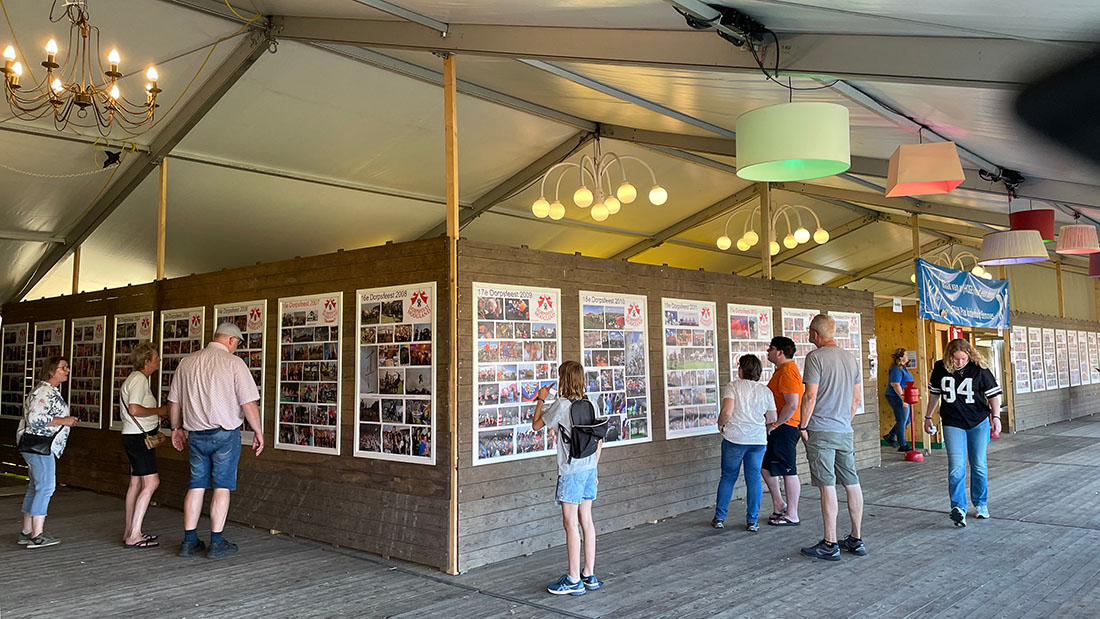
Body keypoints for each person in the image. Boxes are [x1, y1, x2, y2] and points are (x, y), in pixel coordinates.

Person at [169, 322, 263, 559]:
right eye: (237, 344)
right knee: (222, 487)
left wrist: (175, 428)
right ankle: (217, 542)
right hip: (224, 435)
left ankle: (189, 542)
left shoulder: (186, 362)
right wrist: (258, 431)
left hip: (195, 435)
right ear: (231, 340)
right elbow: (248, 403)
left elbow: (174, 402)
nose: (236, 349)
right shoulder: (234, 364)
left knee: (196, 485)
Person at [798, 315, 867, 561]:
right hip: (844, 430)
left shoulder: (814, 358)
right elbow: (856, 399)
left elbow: (810, 396)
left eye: (809, 332)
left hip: (820, 429)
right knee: (851, 482)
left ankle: (830, 542)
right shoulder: (851, 358)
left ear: (815, 335)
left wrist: (802, 426)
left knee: (827, 485)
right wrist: (844, 422)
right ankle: (856, 539)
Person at [532, 360, 603, 596]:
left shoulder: (561, 405)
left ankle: (573, 579)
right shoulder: (591, 402)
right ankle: (588, 574)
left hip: (571, 471)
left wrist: (542, 398)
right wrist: (595, 469)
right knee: (587, 520)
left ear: (564, 380)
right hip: (589, 467)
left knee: (570, 523)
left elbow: (536, 425)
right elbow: (599, 439)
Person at [923, 339, 1002, 528]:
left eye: (963, 359)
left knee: (979, 464)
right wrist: (928, 416)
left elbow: (993, 395)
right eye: (956, 359)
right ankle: (958, 508)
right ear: (949, 356)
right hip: (952, 422)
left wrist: (997, 417)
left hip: (978, 421)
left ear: (969, 355)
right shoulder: (940, 368)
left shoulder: (980, 369)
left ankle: (981, 503)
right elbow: (935, 394)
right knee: (956, 467)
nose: (959, 362)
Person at [16, 356, 77, 549]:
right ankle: (37, 535)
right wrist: (64, 421)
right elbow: (36, 419)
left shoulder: (48, 391)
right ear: (51, 371)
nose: (67, 370)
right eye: (63, 367)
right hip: (41, 447)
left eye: (67, 367)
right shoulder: (44, 391)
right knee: (46, 487)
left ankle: (26, 531)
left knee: (35, 487)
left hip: (38, 446)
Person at [712, 355, 777, 532]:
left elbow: (727, 411)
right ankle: (752, 520)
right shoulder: (765, 391)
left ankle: (720, 517)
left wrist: (720, 422)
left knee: (728, 477)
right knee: (754, 478)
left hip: (735, 438)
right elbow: (772, 418)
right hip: (757, 441)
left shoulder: (733, 386)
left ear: (741, 369)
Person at [119, 341, 170, 548]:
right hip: (140, 438)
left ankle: (130, 530)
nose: (159, 360)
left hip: (131, 436)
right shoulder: (139, 380)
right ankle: (134, 534)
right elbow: (134, 409)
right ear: (147, 361)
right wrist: (159, 411)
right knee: (151, 483)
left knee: (136, 483)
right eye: (156, 357)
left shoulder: (134, 379)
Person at [762, 336, 804, 527]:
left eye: (770, 348)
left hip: (786, 427)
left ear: (779, 352)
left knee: (788, 470)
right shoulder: (781, 370)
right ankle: (779, 505)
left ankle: (792, 513)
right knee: (766, 467)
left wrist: (776, 424)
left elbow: (792, 404)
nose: (767, 352)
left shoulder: (788, 372)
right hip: (778, 427)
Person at [883, 348, 914, 451]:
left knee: (908, 419)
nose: (908, 357)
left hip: (904, 396)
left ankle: (891, 436)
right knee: (902, 420)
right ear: (901, 358)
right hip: (896, 396)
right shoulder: (896, 369)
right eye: (906, 355)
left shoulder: (903, 368)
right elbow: (895, 384)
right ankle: (903, 445)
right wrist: (903, 399)